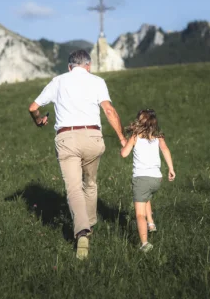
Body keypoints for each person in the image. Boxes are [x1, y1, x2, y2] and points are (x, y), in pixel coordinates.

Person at [28, 49, 127, 260]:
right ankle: (90, 223)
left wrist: (38, 120)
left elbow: (33, 107)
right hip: (93, 138)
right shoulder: (98, 81)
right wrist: (122, 138)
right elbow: (109, 110)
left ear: (69, 67)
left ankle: (82, 232)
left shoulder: (58, 81)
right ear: (88, 66)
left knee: (73, 188)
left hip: (67, 139)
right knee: (90, 183)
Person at [120, 109, 175, 252]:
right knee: (146, 197)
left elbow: (124, 154)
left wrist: (126, 143)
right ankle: (151, 224)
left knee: (139, 214)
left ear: (139, 122)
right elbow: (165, 150)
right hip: (156, 179)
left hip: (141, 179)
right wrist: (171, 169)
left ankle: (145, 244)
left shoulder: (135, 137)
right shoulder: (158, 136)